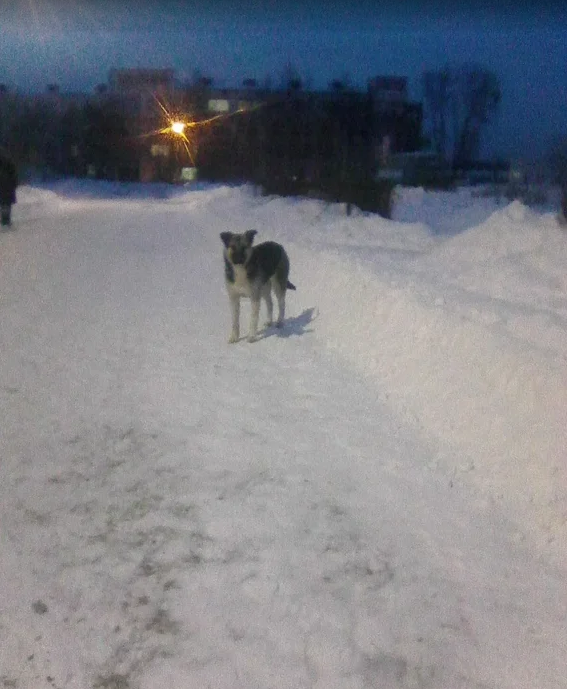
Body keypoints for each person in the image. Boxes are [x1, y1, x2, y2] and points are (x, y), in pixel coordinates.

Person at [0, 148, 18, 228]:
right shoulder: (9, 162)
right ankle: (6, 220)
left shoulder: (7, 163)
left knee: (4, 204)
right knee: (6, 204)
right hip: (8, 187)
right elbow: (14, 175)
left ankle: (5, 220)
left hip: (4, 187)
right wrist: (14, 184)